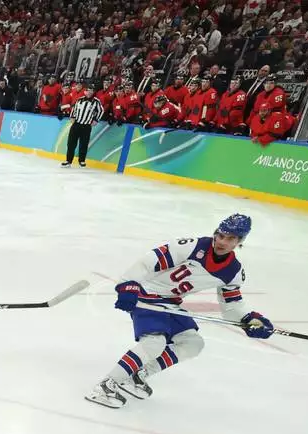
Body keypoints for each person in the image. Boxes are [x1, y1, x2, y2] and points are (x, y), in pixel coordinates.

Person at [86, 214, 274, 409]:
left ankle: (138, 375)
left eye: (231, 239)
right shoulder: (191, 246)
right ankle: (106, 386)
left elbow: (232, 305)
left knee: (193, 343)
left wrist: (249, 319)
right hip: (147, 293)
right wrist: (128, 285)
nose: (222, 242)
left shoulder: (233, 271)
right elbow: (147, 262)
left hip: (170, 302)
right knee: (153, 342)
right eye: (221, 235)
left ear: (239, 242)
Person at [63, 84, 105, 167]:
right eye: (88, 91)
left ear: (93, 92)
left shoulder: (96, 101)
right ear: (85, 91)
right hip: (76, 124)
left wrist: (96, 120)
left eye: (91, 91)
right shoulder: (80, 99)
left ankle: (81, 161)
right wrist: (72, 117)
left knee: (84, 144)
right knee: (71, 143)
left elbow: (101, 111)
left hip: (86, 126)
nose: (89, 92)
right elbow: (74, 109)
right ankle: (68, 161)